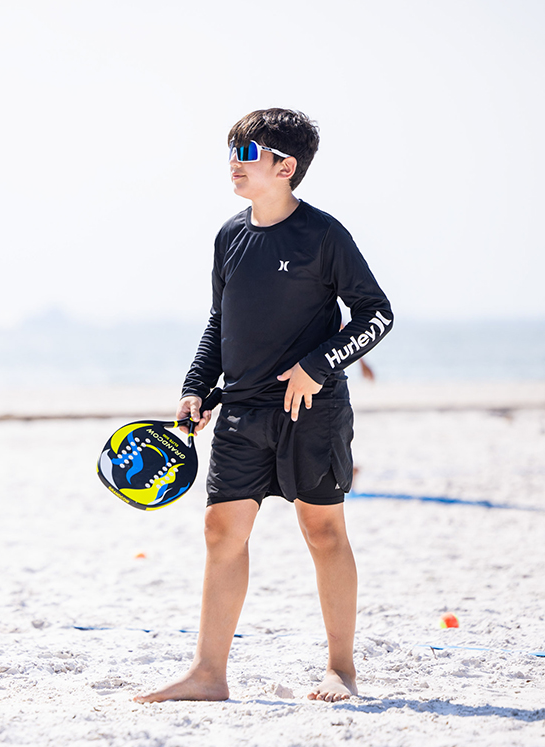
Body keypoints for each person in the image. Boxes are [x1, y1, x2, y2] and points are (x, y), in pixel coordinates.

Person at [135, 109, 393, 704]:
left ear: (285, 165)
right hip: (242, 411)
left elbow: (376, 314)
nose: (235, 161)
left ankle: (341, 670)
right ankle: (208, 673)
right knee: (220, 528)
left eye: (248, 151)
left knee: (322, 530)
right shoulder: (230, 235)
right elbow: (219, 322)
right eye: (232, 149)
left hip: (313, 410)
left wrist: (318, 365)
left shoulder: (324, 236)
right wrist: (196, 386)